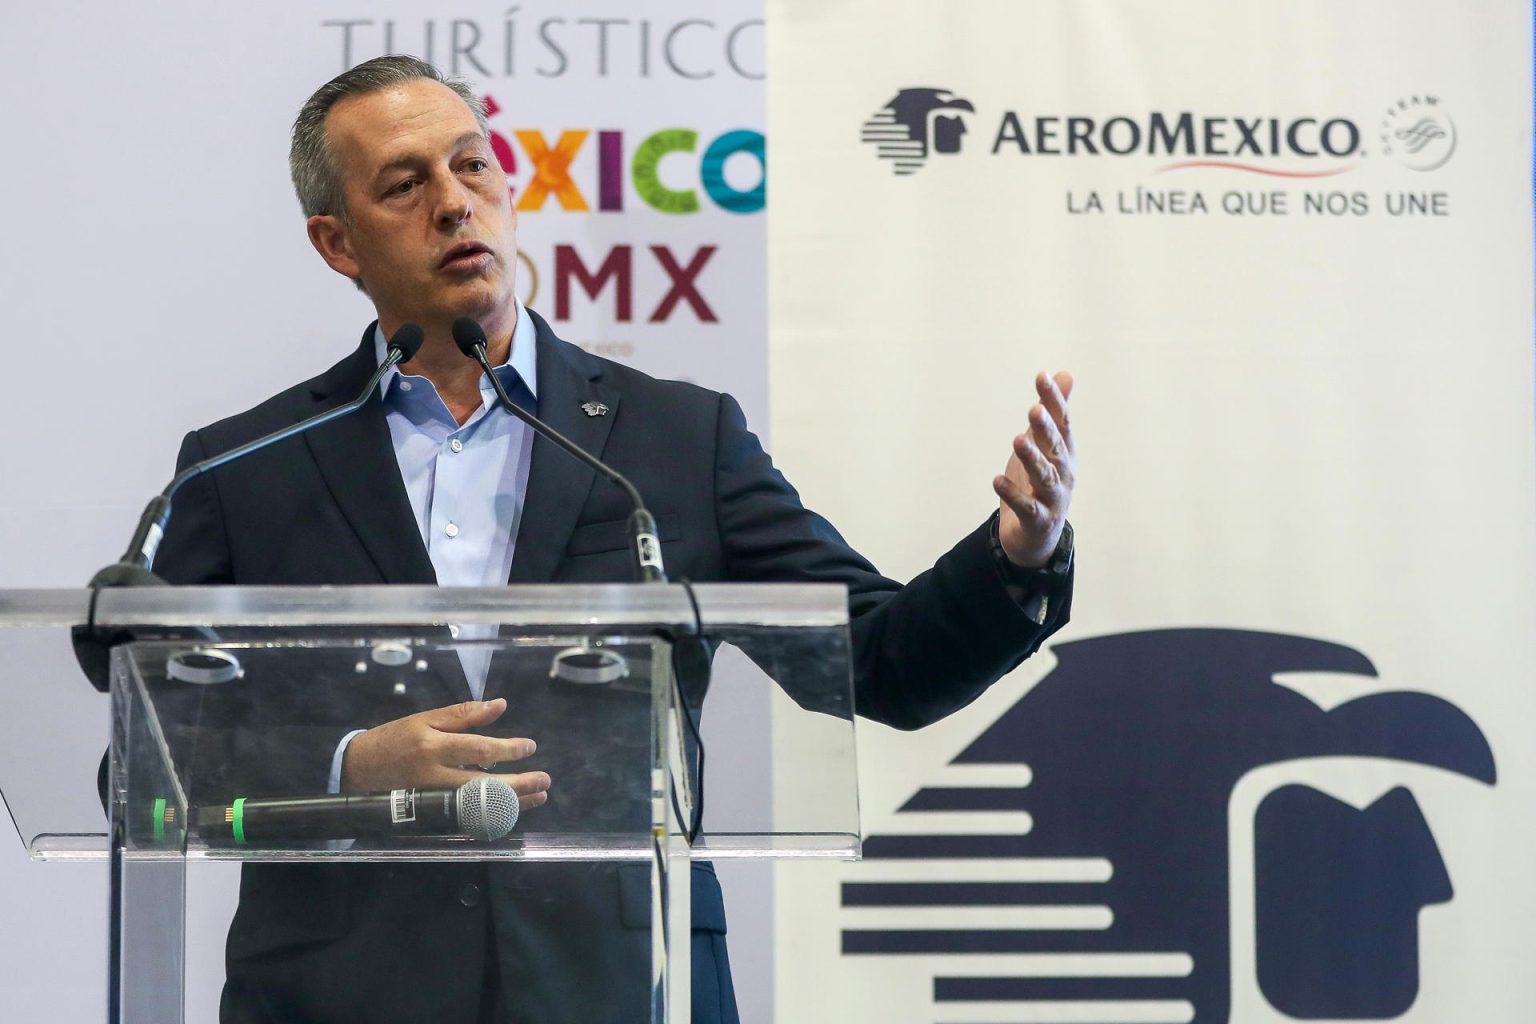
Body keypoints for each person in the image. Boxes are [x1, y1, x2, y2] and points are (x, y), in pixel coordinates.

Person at [153, 55, 1077, 1024]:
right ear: (337, 242)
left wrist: (1016, 556)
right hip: (342, 995)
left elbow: (884, 661)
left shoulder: (679, 440)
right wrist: (345, 766)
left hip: (627, 988)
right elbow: (151, 761)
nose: (456, 203)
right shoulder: (247, 467)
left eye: (472, 166)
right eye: (406, 183)